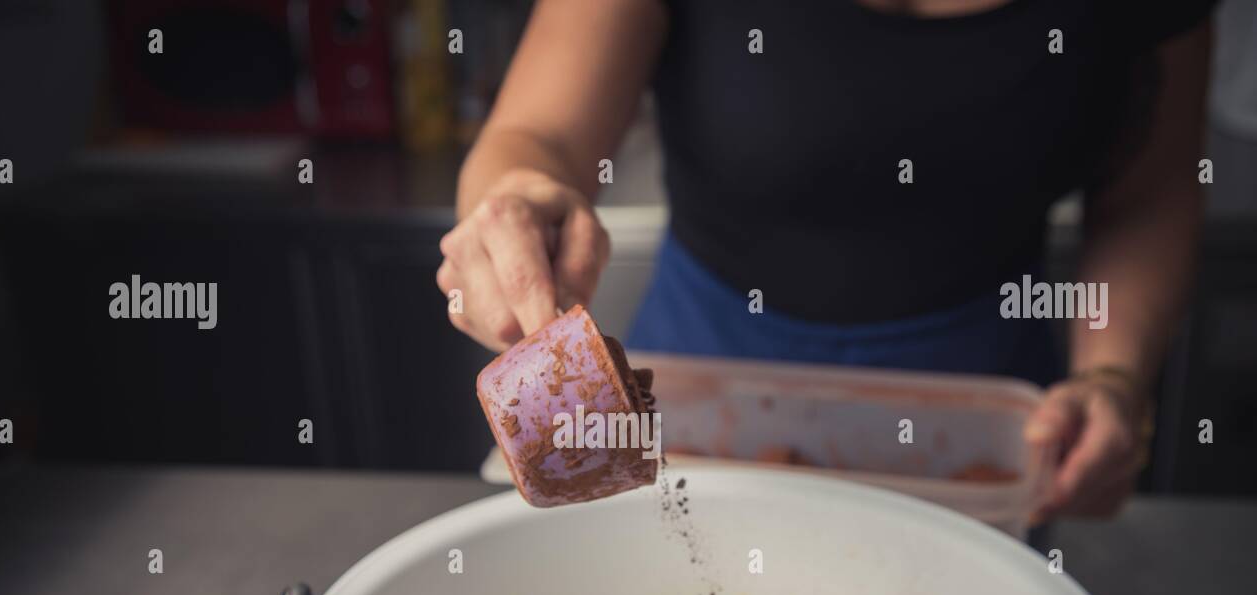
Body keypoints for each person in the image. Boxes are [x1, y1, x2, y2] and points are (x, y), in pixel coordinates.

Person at [436, 0, 1216, 521]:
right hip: (701, 395)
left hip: (986, 426)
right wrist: (519, 197)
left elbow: (1149, 192)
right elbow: (540, 133)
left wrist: (1112, 377)